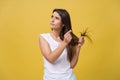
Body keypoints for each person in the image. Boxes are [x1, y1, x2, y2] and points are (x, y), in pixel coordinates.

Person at [38, 8, 84, 80]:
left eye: (56, 18)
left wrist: (78, 47)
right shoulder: (43, 38)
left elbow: (71, 65)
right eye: (52, 16)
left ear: (63, 24)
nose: (52, 20)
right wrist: (64, 43)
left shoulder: (68, 39)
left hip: (69, 77)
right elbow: (51, 58)